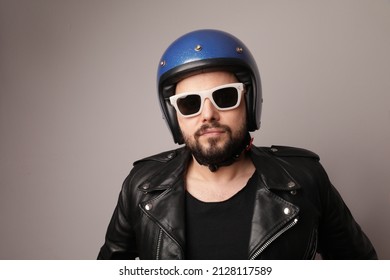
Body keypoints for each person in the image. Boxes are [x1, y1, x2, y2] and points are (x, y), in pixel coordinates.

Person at [97, 29, 377, 260]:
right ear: (174, 116)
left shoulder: (305, 180)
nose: (208, 114)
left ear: (249, 103)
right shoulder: (141, 187)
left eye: (225, 96)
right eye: (190, 103)